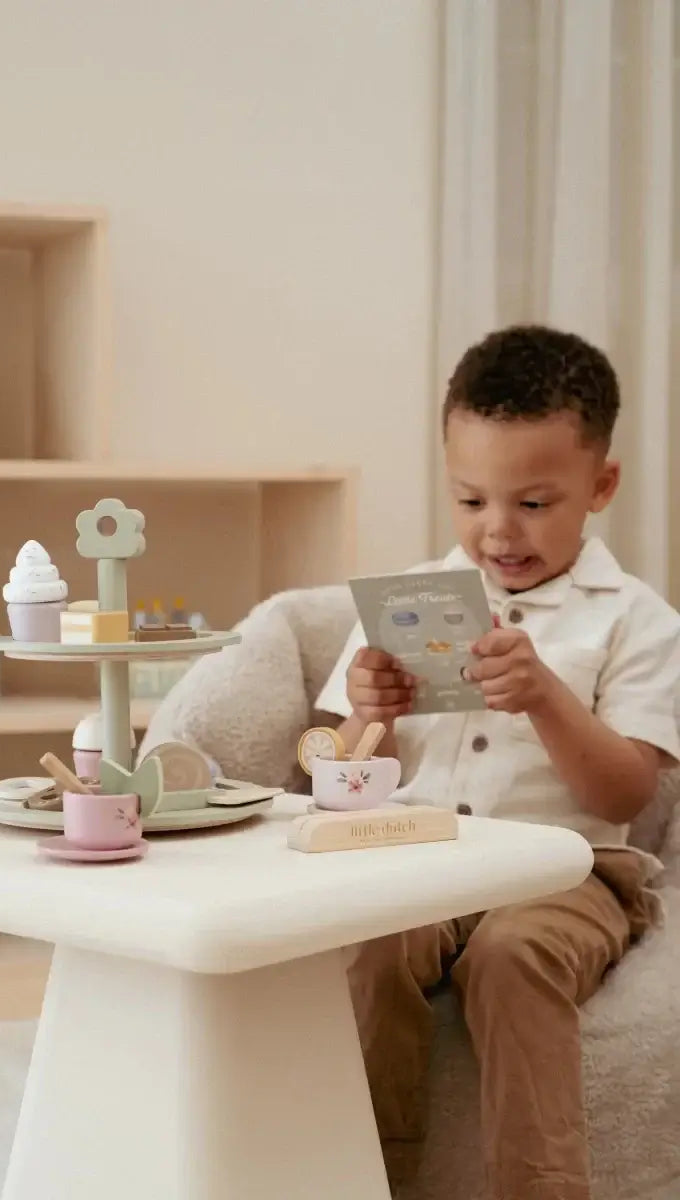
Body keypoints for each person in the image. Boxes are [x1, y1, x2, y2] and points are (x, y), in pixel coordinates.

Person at [316, 324, 680, 1200]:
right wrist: (370, 721)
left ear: (601, 487)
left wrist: (549, 697)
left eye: (534, 502)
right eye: (472, 501)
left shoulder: (634, 617)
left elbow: (629, 790)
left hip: (571, 873)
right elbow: (333, 777)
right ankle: (367, 1178)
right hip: (422, 859)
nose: (498, 531)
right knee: (364, 947)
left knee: (513, 957)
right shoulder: (409, 603)